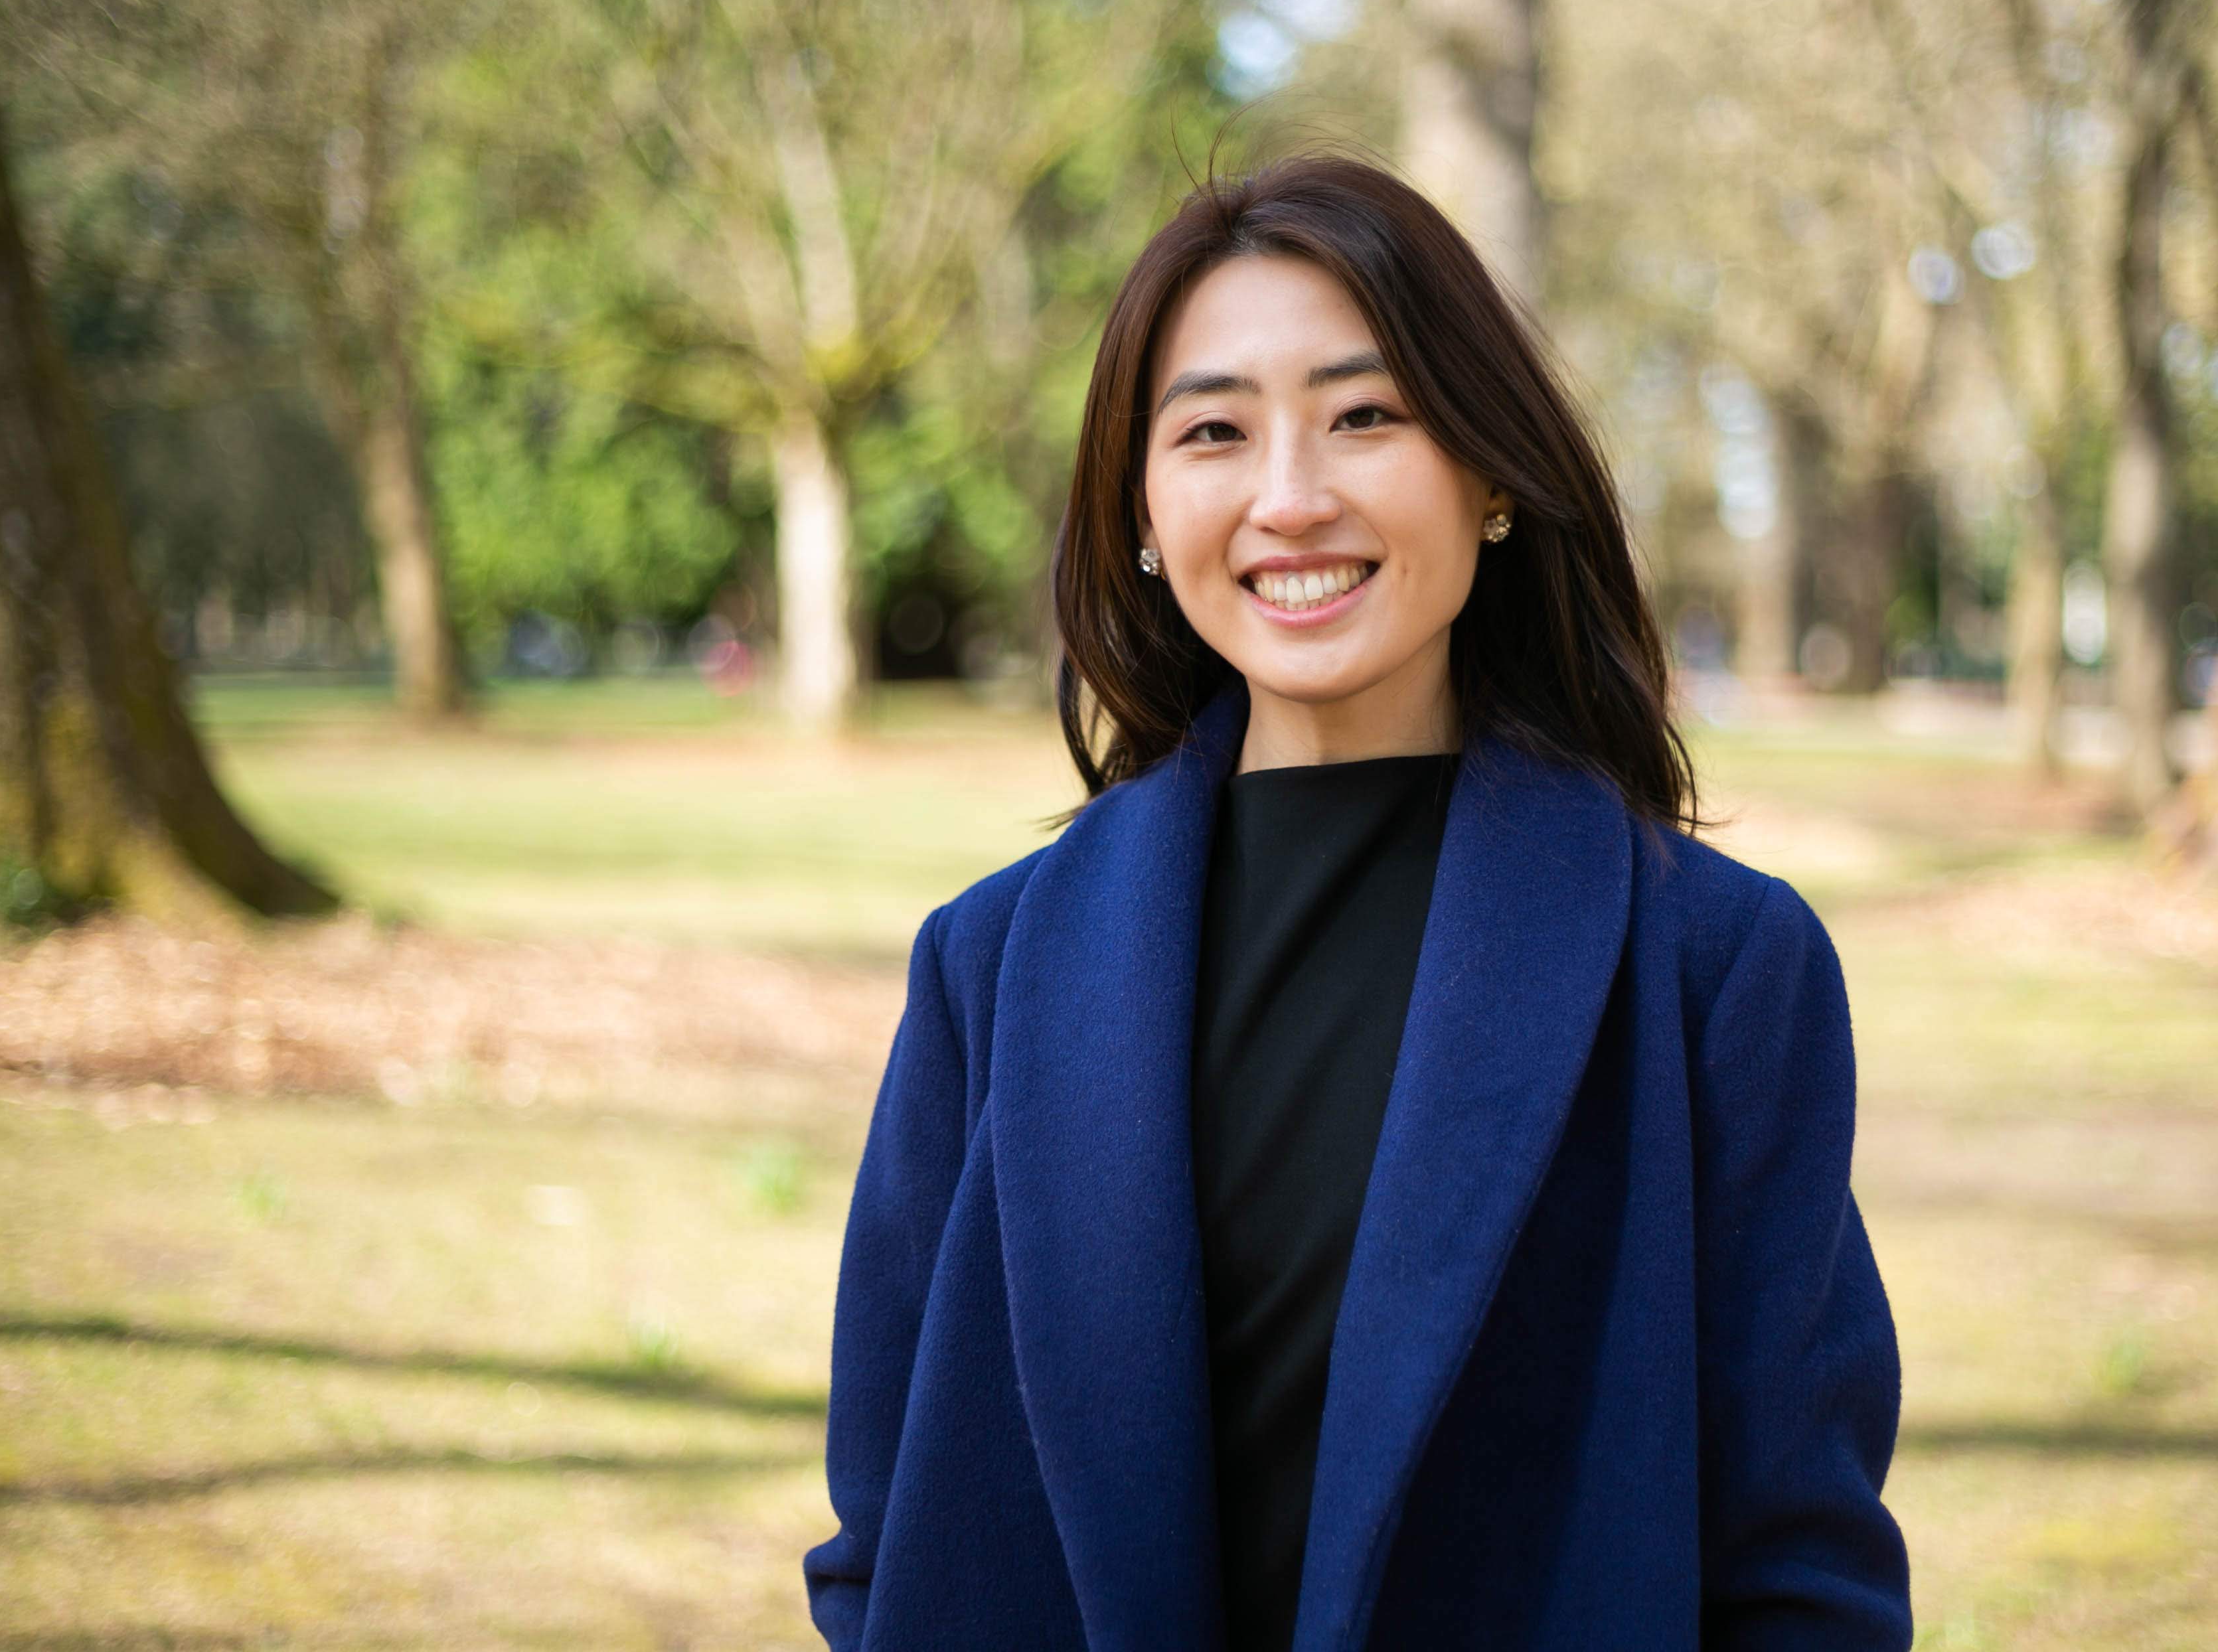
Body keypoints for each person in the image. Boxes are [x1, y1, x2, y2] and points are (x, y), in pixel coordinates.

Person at [803, 153, 1909, 1651]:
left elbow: (1803, 1574)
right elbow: (886, 1540)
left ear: (1493, 474)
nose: (1291, 498)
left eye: (1365, 416)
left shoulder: (1713, 965)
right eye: (1212, 432)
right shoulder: (989, 970)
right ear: (1139, 508)